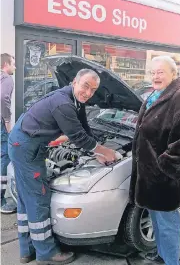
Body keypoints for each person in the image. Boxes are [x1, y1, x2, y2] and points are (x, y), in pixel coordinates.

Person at [8, 69, 118, 264]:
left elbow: (85, 128)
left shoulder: (75, 99)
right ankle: (46, 253)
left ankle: (27, 250)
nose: (88, 93)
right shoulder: (63, 104)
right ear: (75, 81)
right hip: (26, 147)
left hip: (24, 142)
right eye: (85, 86)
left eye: (93, 90)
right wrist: (105, 151)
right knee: (38, 198)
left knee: (26, 198)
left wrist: (97, 151)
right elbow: (78, 137)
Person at [129, 56, 180, 265]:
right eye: (153, 72)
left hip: (165, 181)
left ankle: (171, 261)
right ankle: (161, 255)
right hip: (150, 179)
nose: (155, 76)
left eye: (160, 72)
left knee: (168, 225)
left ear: (173, 74)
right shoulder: (155, 95)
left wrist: (162, 168)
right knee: (157, 222)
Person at [0, 53, 17, 214]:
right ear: (6, 64)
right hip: (0, 122)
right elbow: (3, 97)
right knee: (4, 157)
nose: (15, 67)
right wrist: (7, 120)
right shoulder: (6, 78)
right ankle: (2, 201)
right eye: (13, 64)